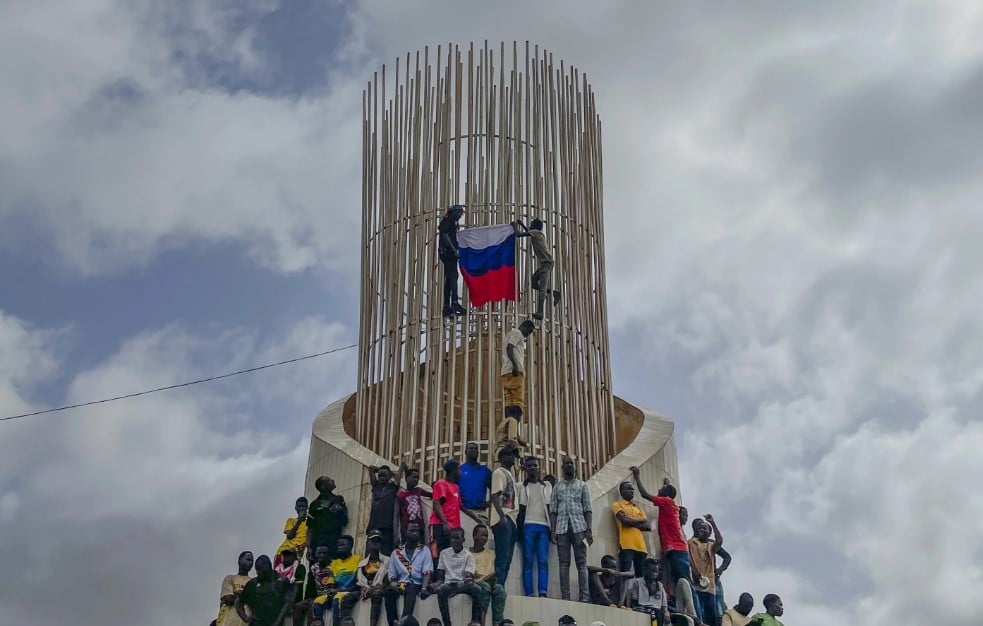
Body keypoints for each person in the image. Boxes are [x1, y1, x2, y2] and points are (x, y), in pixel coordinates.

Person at [629, 468, 701, 624]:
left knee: (685, 582)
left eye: (661, 490)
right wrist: (667, 485)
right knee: (678, 581)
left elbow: (645, 495)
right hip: (674, 549)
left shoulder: (666, 502)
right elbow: (667, 492)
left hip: (677, 549)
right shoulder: (669, 503)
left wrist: (638, 476)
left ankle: (696, 617)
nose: (658, 490)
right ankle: (687, 612)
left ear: (666, 494)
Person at [550, 455, 593, 601]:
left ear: (574, 466)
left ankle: (584, 597)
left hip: (579, 528)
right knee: (563, 563)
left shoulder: (582, 486)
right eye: (566, 464)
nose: (569, 466)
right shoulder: (557, 487)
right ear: (562, 468)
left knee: (581, 563)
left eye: (571, 463)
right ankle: (566, 597)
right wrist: (553, 530)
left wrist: (589, 530)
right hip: (561, 529)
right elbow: (553, 511)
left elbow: (588, 509)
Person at [512, 219, 561, 320]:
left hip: (547, 263)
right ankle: (554, 293)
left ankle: (540, 312)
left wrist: (514, 226)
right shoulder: (537, 233)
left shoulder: (535, 233)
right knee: (533, 283)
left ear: (534, 226)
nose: (529, 226)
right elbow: (528, 232)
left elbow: (519, 234)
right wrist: (522, 224)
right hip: (544, 263)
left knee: (542, 288)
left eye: (531, 225)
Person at [498, 321, 535, 452]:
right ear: (525, 327)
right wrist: (515, 366)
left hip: (505, 372)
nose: (527, 335)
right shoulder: (517, 333)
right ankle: (513, 436)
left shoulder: (509, 334)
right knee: (518, 404)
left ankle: (509, 434)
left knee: (509, 403)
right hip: (515, 371)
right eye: (529, 331)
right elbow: (510, 348)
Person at [518, 456, 552, 597]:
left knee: (543, 560)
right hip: (527, 526)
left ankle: (543, 591)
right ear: (525, 468)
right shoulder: (521, 486)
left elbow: (550, 507)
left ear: (539, 468)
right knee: (528, 561)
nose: (533, 468)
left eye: (535, 466)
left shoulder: (547, 486)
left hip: (544, 526)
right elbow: (520, 509)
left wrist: (553, 529)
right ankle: (529, 592)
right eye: (530, 466)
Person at [387, 521, 435, 617]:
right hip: (402, 584)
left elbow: (427, 572)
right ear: (406, 532)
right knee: (389, 593)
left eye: (416, 531)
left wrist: (424, 588)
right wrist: (394, 584)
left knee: (411, 587)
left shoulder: (424, 550)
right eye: (412, 530)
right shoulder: (396, 553)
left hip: (417, 584)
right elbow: (392, 577)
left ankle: (404, 621)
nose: (415, 533)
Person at [435, 527, 481, 626]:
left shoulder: (468, 555)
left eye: (457, 538)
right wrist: (437, 584)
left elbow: (468, 574)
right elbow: (440, 574)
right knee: (441, 590)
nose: (454, 541)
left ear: (463, 540)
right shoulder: (444, 553)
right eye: (452, 538)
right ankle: (447, 623)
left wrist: (468, 577)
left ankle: (474, 622)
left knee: (477, 589)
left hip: (463, 584)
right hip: (449, 584)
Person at [489, 445, 519, 585]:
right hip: (504, 518)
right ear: (501, 458)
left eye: (514, 456)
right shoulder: (499, 472)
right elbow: (495, 495)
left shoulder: (510, 475)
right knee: (502, 556)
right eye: (510, 455)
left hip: (512, 519)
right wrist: (502, 517)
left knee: (508, 558)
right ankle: (498, 587)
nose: (513, 458)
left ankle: (501, 586)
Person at [235, 555, 293, 626]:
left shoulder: (282, 581)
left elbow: (288, 603)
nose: (259, 573)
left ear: (269, 568)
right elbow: (238, 602)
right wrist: (245, 618)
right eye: (257, 571)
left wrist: (277, 622)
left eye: (262, 570)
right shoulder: (252, 584)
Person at [688, 516, 723, 626]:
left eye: (705, 529)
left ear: (709, 533)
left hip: (710, 587)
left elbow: (720, 541)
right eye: (700, 528)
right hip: (696, 585)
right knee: (699, 615)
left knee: (711, 616)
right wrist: (694, 571)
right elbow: (688, 559)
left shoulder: (711, 545)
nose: (702, 530)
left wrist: (712, 523)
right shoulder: (690, 542)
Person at [612, 480, 651, 577]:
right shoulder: (617, 504)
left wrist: (631, 522)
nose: (632, 491)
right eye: (629, 489)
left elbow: (648, 526)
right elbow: (624, 521)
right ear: (621, 491)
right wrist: (640, 521)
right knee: (625, 574)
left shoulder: (638, 508)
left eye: (633, 489)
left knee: (641, 577)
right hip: (626, 545)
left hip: (641, 547)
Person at [471, 524, 506, 626]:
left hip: (488, 581)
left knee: (500, 590)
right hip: (475, 583)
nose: (484, 538)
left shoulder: (491, 553)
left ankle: (497, 623)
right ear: (474, 536)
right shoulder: (467, 554)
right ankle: (482, 622)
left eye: (486, 536)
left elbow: (491, 571)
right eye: (482, 535)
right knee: (485, 587)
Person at [307, 475, 348, 560]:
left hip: (333, 543)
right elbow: (310, 527)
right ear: (323, 486)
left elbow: (344, 521)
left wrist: (338, 509)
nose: (333, 480)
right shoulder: (314, 505)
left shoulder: (338, 499)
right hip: (317, 545)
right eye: (329, 480)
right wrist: (309, 547)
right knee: (317, 570)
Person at [358, 530, 393, 626]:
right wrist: (365, 589)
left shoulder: (388, 561)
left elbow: (387, 580)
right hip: (364, 591)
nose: (375, 544)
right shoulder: (361, 564)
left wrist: (374, 588)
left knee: (377, 593)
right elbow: (360, 582)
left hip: (380, 589)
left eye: (378, 541)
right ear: (367, 543)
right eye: (373, 541)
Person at [438, 204, 466, 317]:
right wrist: (454, 251)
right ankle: (454, 302)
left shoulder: (449, 221)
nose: (460, 215)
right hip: (448, 253)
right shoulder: (449, 220)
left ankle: (446, 306)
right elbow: (445, 236)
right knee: (453, 276)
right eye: (459, 213)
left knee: (449, 280)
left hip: (446, 253)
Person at [430, 459, 463, 555]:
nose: (461, 472)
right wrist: (445, 523)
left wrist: (474, 516)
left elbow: (460, 506)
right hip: (441, 526)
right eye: (459, 469)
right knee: (437, 554)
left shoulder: (456, 487)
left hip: (454, 528)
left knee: (451, 556)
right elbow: (437, 504)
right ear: (454, 471)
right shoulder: (441, 484)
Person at [368, 465, 402, 555]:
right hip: (374, 525)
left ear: (389, 477)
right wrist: (377, 470)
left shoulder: (392, 487)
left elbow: (399, 475)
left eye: (384, 475)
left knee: (386, 553)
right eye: (380, 475)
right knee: (372, 554)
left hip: (387, 526)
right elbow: (370, 468)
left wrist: (393, 473)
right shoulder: (376, 487)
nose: (382, 478)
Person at [627, 559, 670, 626]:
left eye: (656, 571)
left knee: (679, 619)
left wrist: (666, 613)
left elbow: (664, 607)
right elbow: (633, 603)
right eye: (652, 571)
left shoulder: (660, 586)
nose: (654, 574)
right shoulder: (637, 583)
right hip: (642, 608)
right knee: (655, 614)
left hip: (657, 611)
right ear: (646, 570)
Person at [216, 551, 253, 626]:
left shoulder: (253, 582)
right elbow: (227, 598)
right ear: (239, 561)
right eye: (247, 560)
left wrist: (238, 593)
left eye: (252, 561)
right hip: (229, 621)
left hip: (246, 622)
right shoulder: (230, 578)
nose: (250, 563)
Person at [397, 465, 432, 542]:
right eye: (414, 477)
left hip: (419, 528)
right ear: (407, 478)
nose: (416, 480)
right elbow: (399, 515)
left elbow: (432, 495)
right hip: (406, 529)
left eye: (417, 478)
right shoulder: (401, 495)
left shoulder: (418, 490)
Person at [459, 442, 492, 519]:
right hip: (463, 512)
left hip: (480, 512)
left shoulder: (485, 471)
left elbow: (496, 489)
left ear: (478, 452)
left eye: (475, 449)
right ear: (465, 452)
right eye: (471, 448)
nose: (473, 450)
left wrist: (489, 503)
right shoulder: (459, 470)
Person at [275, 497, 308, 565]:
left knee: (292, 575)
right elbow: (289, 536)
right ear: (296, 508)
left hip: (295, 556)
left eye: (303, 506)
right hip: (283, 553)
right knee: (279, 575)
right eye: (299, 506)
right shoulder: (291, 520)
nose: (301, 508)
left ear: (307, 508)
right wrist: (299, 521)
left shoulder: (310, 523)